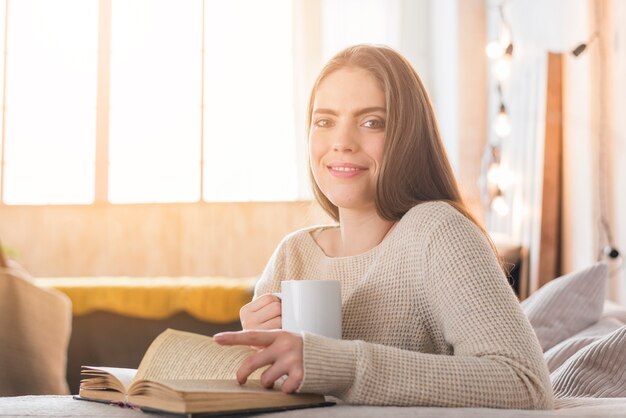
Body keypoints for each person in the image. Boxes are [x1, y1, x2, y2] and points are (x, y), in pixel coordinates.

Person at [214, 44, 553, 409]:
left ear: (408, 136)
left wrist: (338, 365)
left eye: (371, 122)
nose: (341, 143)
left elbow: (525, 384)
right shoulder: (292, 254)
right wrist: (254, 353)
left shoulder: (439, 234)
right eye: (324, 121)